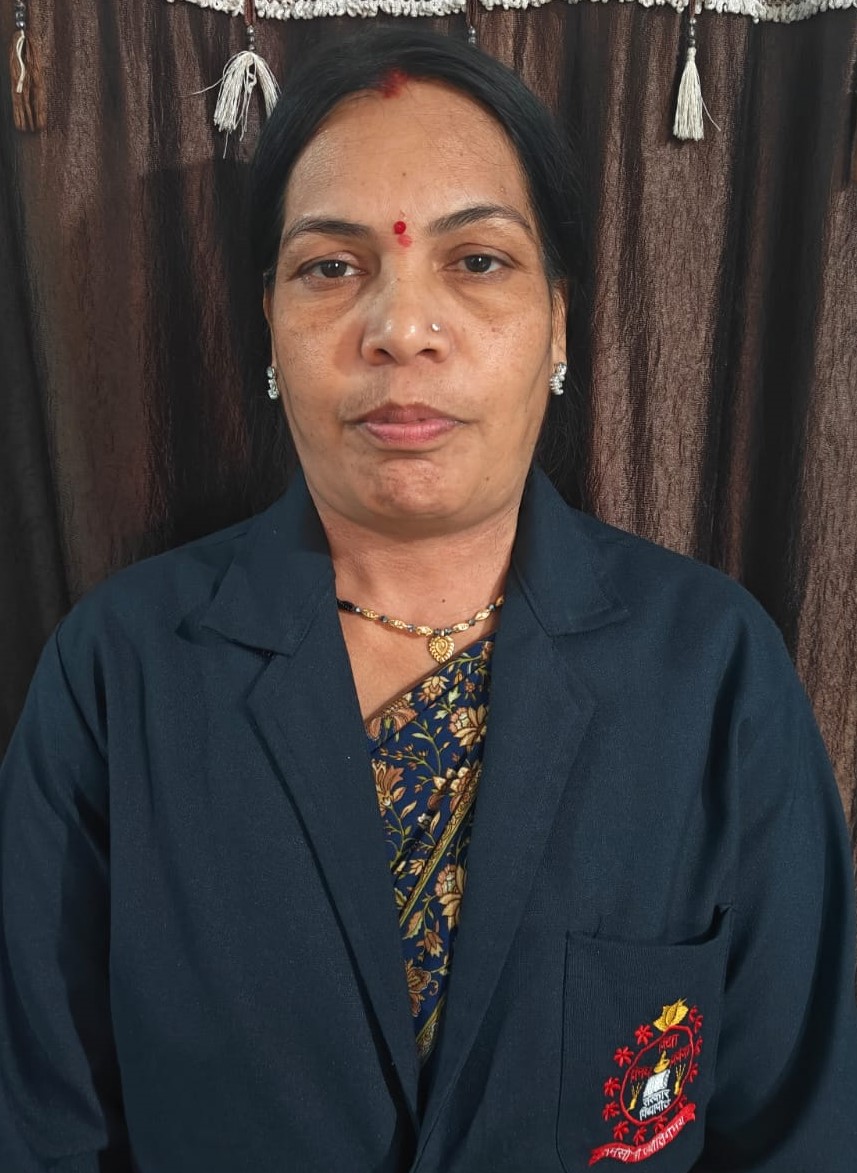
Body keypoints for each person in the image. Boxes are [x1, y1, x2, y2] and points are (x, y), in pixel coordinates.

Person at [1, 25, 855, 1173]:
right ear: (268, 328)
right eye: (331, 267)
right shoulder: (120, 678)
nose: (401, 330)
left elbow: (802, 1130)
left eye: (477, 261)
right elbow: (39, 1128)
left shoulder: (711, 676)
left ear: (559, 322)